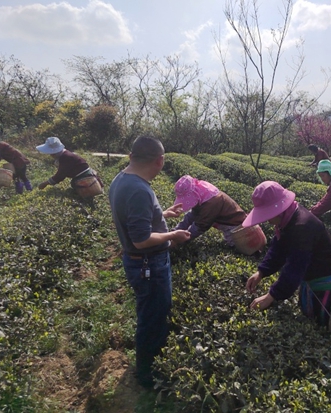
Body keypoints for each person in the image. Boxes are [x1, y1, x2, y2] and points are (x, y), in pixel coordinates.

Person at [108, 136, 191, 388]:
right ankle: (148, 374)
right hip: (148, 263)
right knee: (153, 317)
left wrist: (161, 213)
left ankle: (150, 363)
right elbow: (142, 239)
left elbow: (134, 217)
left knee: (151, 312)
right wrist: (173, 235)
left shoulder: (122, 179)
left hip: (141, 262)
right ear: (160, 161)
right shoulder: (139, 190)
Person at [243, 181, 331, 326]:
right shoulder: (287, 218)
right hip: (311, 278)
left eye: (268, 214)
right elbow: (278, 248)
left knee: (327, 326)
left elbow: (294, 268)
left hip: (326, 282)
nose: (267, 220)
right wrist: (261, 272)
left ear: (279, 210)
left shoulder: (302, 227)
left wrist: (271, 296)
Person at [172, 175, 247, 246]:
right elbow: (192, 215)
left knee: (234, 245)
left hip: (237, 227)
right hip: (226, 223)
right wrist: (175, 231)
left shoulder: (211, 203)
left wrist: (181, 240)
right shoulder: (201, 194)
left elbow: (200, 226)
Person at [36, 137, 102, 194]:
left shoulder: (65, 157)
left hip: (86, 180)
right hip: (85, 177)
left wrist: (45, 183)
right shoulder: (64, 154)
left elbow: (60, 176)